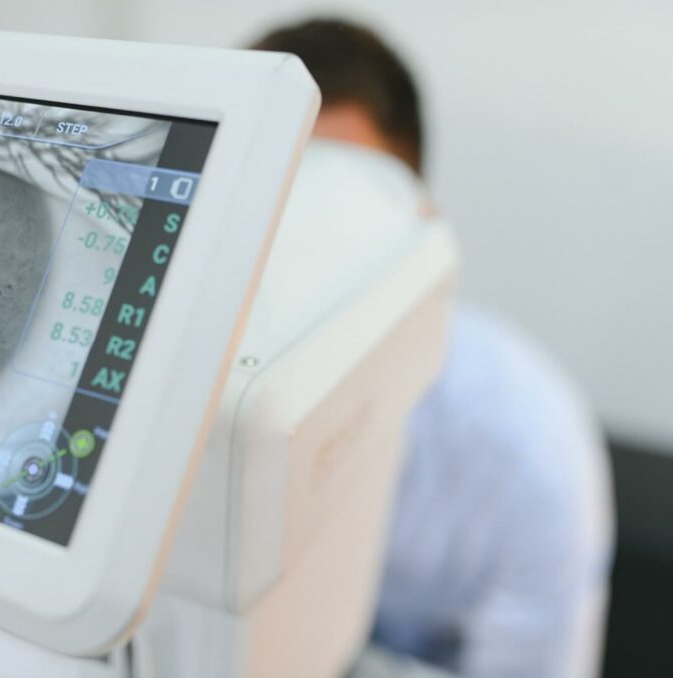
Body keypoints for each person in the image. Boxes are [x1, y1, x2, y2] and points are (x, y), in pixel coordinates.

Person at [254, 19, 614, 678]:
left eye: (339, 217)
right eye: (267, 214)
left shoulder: (526, 455)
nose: (293, 264)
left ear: (418, 238)